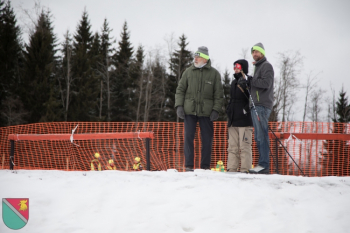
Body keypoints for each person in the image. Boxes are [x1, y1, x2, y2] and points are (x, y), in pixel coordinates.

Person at [175, 46, 223, 172]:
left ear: (205, 59)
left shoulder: (214, 74)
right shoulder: (188, 72)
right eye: (195, 56)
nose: (195, 59)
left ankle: (205, 167)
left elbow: (219, 95)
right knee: (188, 138)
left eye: (198, 56)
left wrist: (216, 110)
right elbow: (180, 90)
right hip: (189, 111)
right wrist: (179, 106)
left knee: (207, 139)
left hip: (206, 113)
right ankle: (189, 166)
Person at [241, 43, 274, 174]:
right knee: (258, 137)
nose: (255, 54)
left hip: (262, 106)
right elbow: (255, 85)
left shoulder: (266, 66)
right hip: (255, 105)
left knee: (261, 135)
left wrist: (251, 80)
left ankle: (264, 165)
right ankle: (262, 164)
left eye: (257, 52)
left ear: (262, 53)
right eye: (253, 52)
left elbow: (266, 83)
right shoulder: (257, 67)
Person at [226, 59, 253, 173]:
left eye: (238, 67)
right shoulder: (233, 83)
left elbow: (252, 98)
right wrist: (229, 111)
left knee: (244, 146)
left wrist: (246, 86)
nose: (235, 69)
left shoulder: (250, 80)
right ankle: (231, 169)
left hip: (244, 120)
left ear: (243, 68)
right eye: (234, 67)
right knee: (232, 147)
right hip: (233, 120)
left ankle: (245, 170)